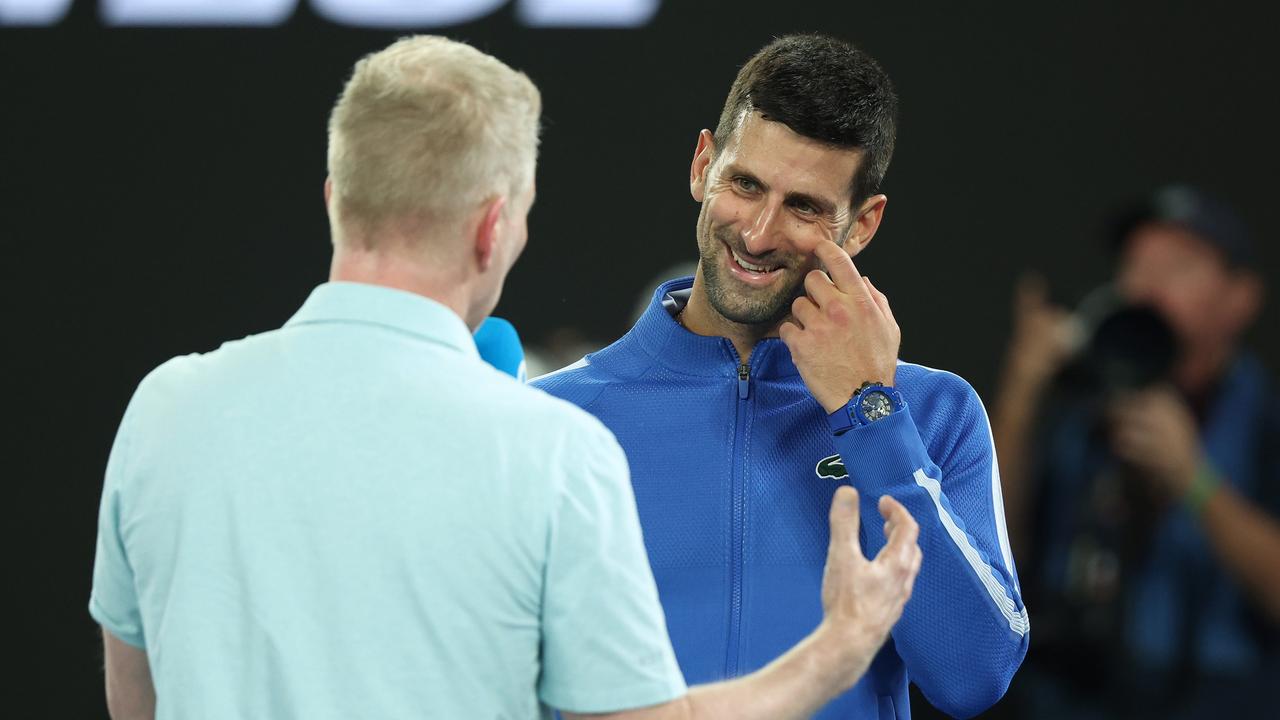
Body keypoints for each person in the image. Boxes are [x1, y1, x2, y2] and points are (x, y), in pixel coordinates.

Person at [89, 35, 925, 720]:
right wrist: (841, 647)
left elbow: (137, 703)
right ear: (495, 228)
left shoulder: (163, 409)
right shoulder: (549, 446)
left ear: (336, 197)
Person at [533, 34, 1028, 719]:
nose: (760, 234)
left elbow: (974, 674)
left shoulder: (932, 413)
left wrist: (870, 415)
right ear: (703, 165)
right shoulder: (550, 420)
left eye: (804, 207)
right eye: (745, 184)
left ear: (861, 225)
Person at [992, 185, 1279, 718]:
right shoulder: (1086, 410)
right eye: (1135, 265)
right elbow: (991, 552)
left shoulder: (1262, 425)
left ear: (1240, 297)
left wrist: (1193, 478)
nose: (1146, 286)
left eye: (1177, 267)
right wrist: (1023, 390)